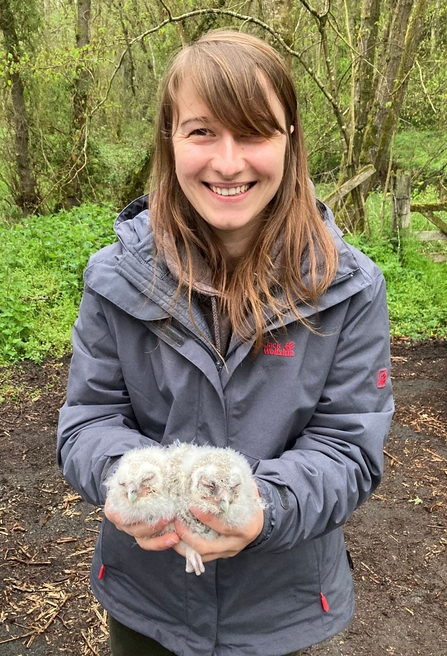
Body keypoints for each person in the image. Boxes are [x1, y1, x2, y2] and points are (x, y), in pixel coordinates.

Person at [57, 29, 394, 656]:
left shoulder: (350, 288)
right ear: (170, 140)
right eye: (203, 131)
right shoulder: (115, 278)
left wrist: (264, 507)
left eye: (255, 132)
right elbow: (88, 420)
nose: (229, 162)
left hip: (283, 614)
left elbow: (350, 447)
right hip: (146, 602)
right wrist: (133, 481)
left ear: (290, 141)